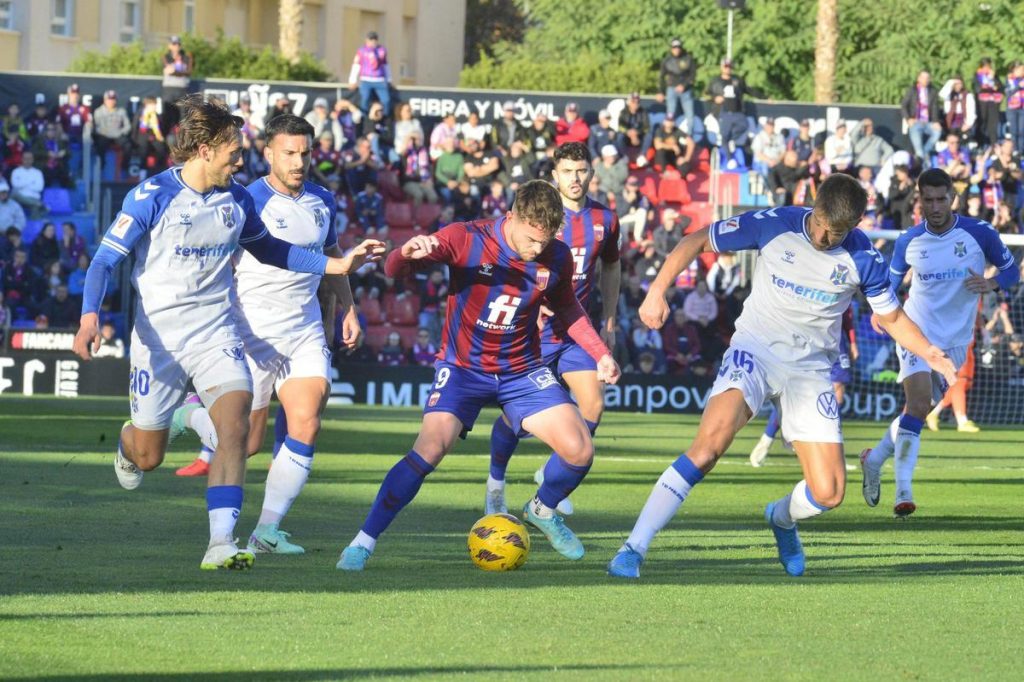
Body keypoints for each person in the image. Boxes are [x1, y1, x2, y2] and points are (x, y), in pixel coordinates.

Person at [70, 96, 384, 571]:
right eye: (233, 151)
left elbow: (275, 251)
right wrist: (89, 316)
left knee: (235, 430)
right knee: (149, 455)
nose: (241, 159)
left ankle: (221, 542)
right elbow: (104, 261)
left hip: (218, 333)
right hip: (159, 343)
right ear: (203, 150)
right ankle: (129, 442)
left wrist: (337, 265)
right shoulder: (150, 196)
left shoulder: (235, 199)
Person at [606, 174, 958, 580]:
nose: (827, 236)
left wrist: (930, 352)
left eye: (839, 231)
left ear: (856, 225)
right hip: (755, 350)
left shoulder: (864, 257)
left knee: (829, 492)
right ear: (815, 205)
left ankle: (782, 519)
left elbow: (892, 317)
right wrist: (657, 291)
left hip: (809, 370)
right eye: (823, 223)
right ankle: (633, 548)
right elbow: (696, 239)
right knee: (707, 448)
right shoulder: (774, 224)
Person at [336, 179, 622, 572]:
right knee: (430, 448)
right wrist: (405, 252)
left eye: (545, 242)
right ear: (513, 217)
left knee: (580, 450)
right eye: (531, 240)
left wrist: (600, 353)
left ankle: (542, 508)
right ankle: (362, 542)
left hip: (522, 370)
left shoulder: (556, 256)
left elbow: (568, 308)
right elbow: (392, 269)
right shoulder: (466, 238)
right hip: (463, 368)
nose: (537, 250)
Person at [171, 114, 367, 557]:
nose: (299, 162)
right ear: (268, 154)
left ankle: (266, 532)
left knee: (307, 417)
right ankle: (191, 417)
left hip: (303, 329)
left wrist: (349, 308)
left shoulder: (322, 200)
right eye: (289, 153)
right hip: (251, 332)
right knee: (247, 441)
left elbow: (331, 254)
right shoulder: (245, 199)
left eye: (306, 152)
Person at [860, 169, 1018, 518]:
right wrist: (880, 312)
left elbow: (1012, 272)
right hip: (916, 331)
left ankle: (873, 460)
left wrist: (991, 284)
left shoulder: (980, 233)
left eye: (940, 199)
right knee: (917, 402)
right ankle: (903, 491)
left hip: (956, 342)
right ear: (919, 200)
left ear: (952, 199)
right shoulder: (909, 241)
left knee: (918, 411)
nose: (934, 206)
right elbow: (888, 282)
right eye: (927, 199)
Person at [483, 142, 622, 517]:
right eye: (567, 171)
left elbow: (611, 267)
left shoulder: (606, 220)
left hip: (577, 329)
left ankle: (551, 481)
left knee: (593, 404)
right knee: (515, 418)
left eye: (581, 170)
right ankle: (495, 483)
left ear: (592, 172)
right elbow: (509, 262)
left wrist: (608, 319)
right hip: (533, 331)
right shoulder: (539, 217)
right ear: (554, 175)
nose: (575, 178)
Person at [707, 59, 751, 162]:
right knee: (723, 136)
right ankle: (729, 159)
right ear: (721, 67)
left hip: (737, 111)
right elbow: (707, 94)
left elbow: (748, 90)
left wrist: (765, 97)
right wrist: (715, 98)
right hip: (723, 112)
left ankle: (731, 139)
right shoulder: (715, 80)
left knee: (744, 125)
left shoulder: (737, 80)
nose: (728, 69)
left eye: (729, 67)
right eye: (726, 66)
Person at [658, 38, 697, 134]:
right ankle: (669, 137)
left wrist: (684, 85)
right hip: (671, 89)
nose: (677, 50)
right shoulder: (667, 60)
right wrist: (660, 92)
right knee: (670, 115)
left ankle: (689, 137)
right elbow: (661, 77)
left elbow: (693, 75)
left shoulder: (688, 59)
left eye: (678, 47)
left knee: (690, 116)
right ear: (671, 49)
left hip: (686, 91)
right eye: (674, 48)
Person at [901, 71, 942, 162]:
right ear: (918, 79)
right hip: (916, 122)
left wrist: (936, 121)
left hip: (928, 122)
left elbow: (935, 107)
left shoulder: (932, 91)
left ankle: (924, 152)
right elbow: (904, 105)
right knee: (918, 149)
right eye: (923, 78)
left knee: (937, 131)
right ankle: (922, 159)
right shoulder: (912, 90)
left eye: (928, 78)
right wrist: (908, 119)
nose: (926, 80)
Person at [348, 32, 391, 117]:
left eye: (374, 39)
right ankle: (364, 119)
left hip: (379, 80)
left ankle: (384, 119)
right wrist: (352, 80)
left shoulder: (382, 50)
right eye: (371, 39)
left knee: (386, 100)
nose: (373, 41)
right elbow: (356, 65)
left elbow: (386, 65)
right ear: (367, 40)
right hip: (366, 79)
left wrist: (389, 79)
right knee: (364, 99)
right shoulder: (362, 51)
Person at [92, 90, 132, 172]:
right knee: (100, 145)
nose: (111, 101)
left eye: (113, 99)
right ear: (105, 100)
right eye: (109, 99)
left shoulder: (121, 111)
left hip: (118, 134)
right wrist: (105, 133)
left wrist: (121, 132)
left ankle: (124, 166)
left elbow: (128, 126)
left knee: (128, 145)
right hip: (104, 135)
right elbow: (96, 127)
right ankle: (101, 165)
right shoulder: (98, 111)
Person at [161, 36, 194, 128]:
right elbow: (168, 70)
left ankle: (182, 140)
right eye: (174, 44)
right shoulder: (165, 57)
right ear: (169, 46)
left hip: (182, 89)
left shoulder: (187, 58)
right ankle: (166, 139)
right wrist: (182, 73)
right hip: (169, 89)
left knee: (183, 116)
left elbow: (189, 72)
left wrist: (175, 71)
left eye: (178, 44)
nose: (176, 46)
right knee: (167, 115)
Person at [973, 57, 1003, 150]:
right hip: (982, 103)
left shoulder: (993, 75)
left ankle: (993, 143)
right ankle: (980, 143)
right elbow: (978, 88)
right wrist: (988, 86)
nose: (987, 68)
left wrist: (993, 79)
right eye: (985, 66)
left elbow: (999, 86)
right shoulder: (977, 75)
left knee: (993, 123)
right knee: (982, 122)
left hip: (993, 102)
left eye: (989, 66)